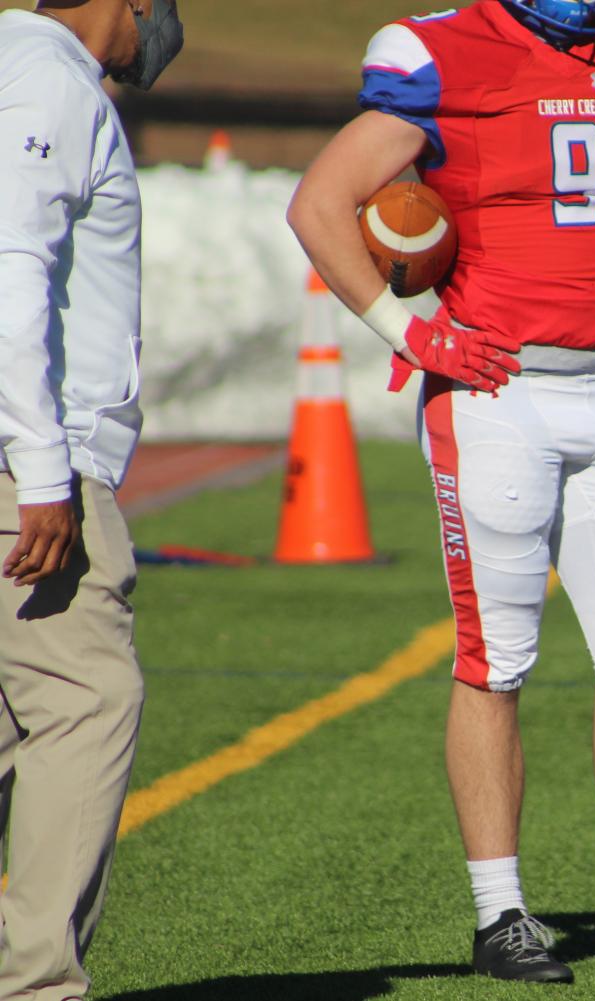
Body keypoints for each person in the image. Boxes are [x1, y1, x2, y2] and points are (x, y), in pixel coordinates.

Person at [286, 0, 595, 983]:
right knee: (496, 661)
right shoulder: (444, 48)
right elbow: (320, 202)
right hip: (493, 394)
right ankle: (500, 914)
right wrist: (410, 330)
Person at [0, 1, 183, 998]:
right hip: (26, 461)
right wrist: (43, 469)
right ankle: (36, 988)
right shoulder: (53, 79)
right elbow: (11, 265)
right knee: (87, 699)